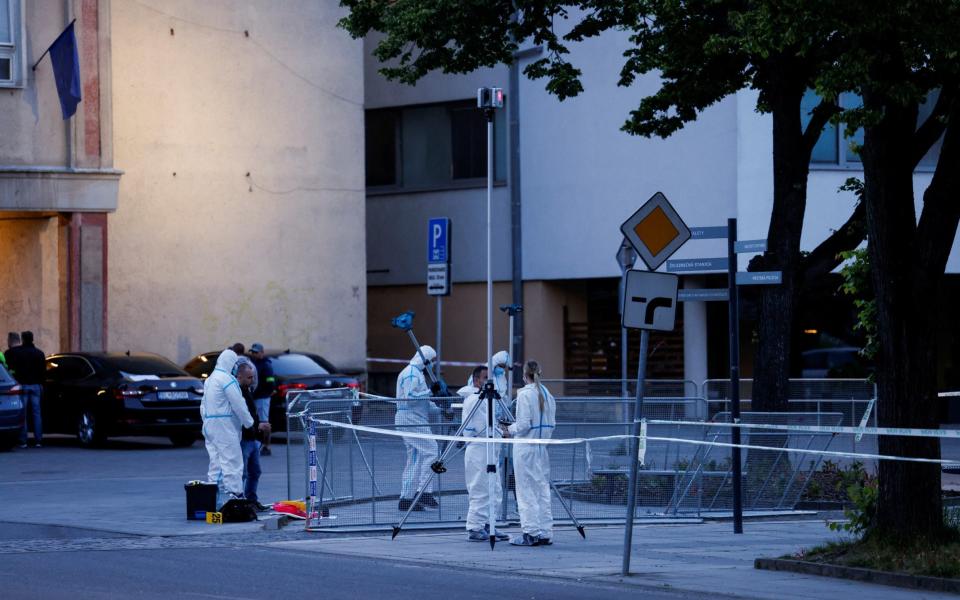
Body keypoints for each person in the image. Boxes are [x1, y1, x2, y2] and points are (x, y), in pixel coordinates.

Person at [502, 360, 556, 546]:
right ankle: (545, 532)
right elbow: (552, 423)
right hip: (542, 448)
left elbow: (524, 424)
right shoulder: (548, 394)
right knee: (542, 490)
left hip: (526, 448)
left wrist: (509, 429)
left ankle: (531, 532)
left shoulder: (524, 395)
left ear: (525, 376)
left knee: (526, 491)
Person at [461, 365, 509, 542]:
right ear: (476, 380)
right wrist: (502, 432)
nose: (489, 381)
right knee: (480, 488)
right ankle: (475, 527)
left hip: (490, 449)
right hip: (479, 449)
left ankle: (490, 524)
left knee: (495, 489)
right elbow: (483, 428)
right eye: (485, 378)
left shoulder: (489, 400)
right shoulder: (475, 400)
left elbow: (491, 424)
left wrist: (500, 430)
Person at [201, 348, 254, 503]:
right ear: (231, 363)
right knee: (232, 460)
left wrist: (205, 421)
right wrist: (248, 422)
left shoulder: (210, 379)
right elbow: (239, 404)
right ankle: (235, 495)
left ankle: (212, 498)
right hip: (224, 426)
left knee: (216, 462)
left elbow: (203, 404)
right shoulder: (227, 379)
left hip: (210, 424)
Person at [395, 345, 440, 511]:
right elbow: (410, 397)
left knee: (414, 458)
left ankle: (406, 498)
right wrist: (430, 392)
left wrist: (443, 407)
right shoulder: (411, 373)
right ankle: (424, 491)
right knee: (432, 450)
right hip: (410, 419)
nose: (433, 364)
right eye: (432, 361)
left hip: (414, 418)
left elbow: (424, 402)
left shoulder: (417, 373)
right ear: (425, 359)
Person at [238, 362, 270, 511]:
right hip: (244, 438)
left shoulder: (247, 389)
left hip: (253, 438)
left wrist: (259, 425)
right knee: (242, 473)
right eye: (249, 377)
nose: (252, 380)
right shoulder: (236, 392)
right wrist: (257, 426)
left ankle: (251, 499)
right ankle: (241, 502)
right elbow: (242, 417)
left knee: (255, 471)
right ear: (240, 376)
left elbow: (252, 414)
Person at [5, 331, 44, 449]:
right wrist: (41, 384)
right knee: (37, 414)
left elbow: (15, 369)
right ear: (32, 339)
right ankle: (38, 440)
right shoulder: (39, 353)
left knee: (24, 414)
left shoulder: (18, 353)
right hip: (36, 386)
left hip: (23, 386)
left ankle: (23, 441)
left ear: (23, 339)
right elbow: (43, 371)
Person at [248, 343, 275, 455]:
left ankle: (266, 446)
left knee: (264, 422)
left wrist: (266, 393)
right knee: (255, 421)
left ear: (262, 353)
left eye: (256, 352)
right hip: (254, 397)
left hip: (262, 397)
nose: (254, 354)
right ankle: (257, 444)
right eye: (253, 352)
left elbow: (270, 381)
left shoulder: (266, 365)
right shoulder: (252, 363)